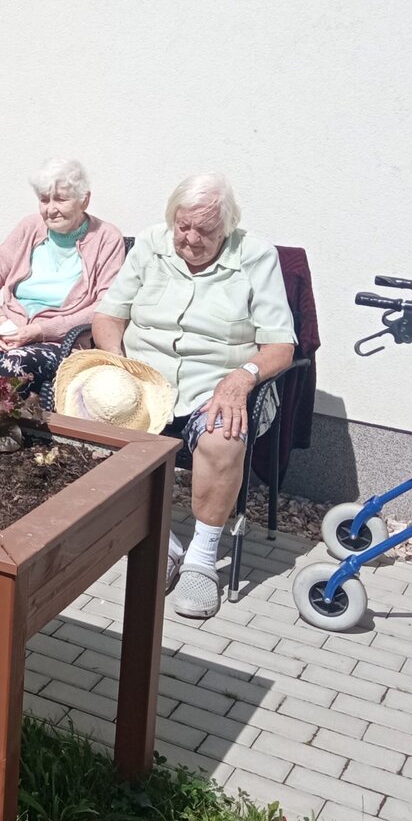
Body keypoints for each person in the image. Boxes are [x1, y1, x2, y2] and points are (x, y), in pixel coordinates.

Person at [89, 172, 296, 619]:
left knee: (224, 439)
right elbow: (108, 317)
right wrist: (117, 363)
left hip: (216, 387)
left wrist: (241, 378)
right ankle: (164, 541)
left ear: (228, 227)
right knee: (96, 419)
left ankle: (202, 558)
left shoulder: (256, 257)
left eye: (205, 230)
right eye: (183, 226)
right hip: (146, 381)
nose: (191, 238)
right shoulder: (151, 244)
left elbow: (281, 346)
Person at [0, 157, 126, 397]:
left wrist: (38, 331)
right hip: (8, 334)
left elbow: (103, 307)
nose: (51, 209)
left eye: (61, 199)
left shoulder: (106, 238)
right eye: (44, 200)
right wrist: (2, 322)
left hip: (60, 344)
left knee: (14, 364)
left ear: (84, 200)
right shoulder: (30, 227)